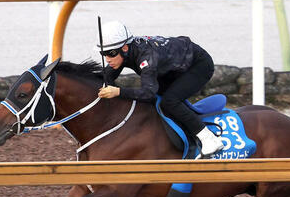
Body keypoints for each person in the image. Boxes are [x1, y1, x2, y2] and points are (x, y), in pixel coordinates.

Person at [96, 21, 223, 156]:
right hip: (173, 66)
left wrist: (118, 92)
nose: (108, 59)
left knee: (169, 101)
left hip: (199, 65)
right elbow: (107, 77)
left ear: (125, 48)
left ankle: (208, 138)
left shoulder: (146, 58)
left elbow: (148, 93)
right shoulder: (125, 52)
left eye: (110, 53)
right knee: (159, 97)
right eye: (103, 54)